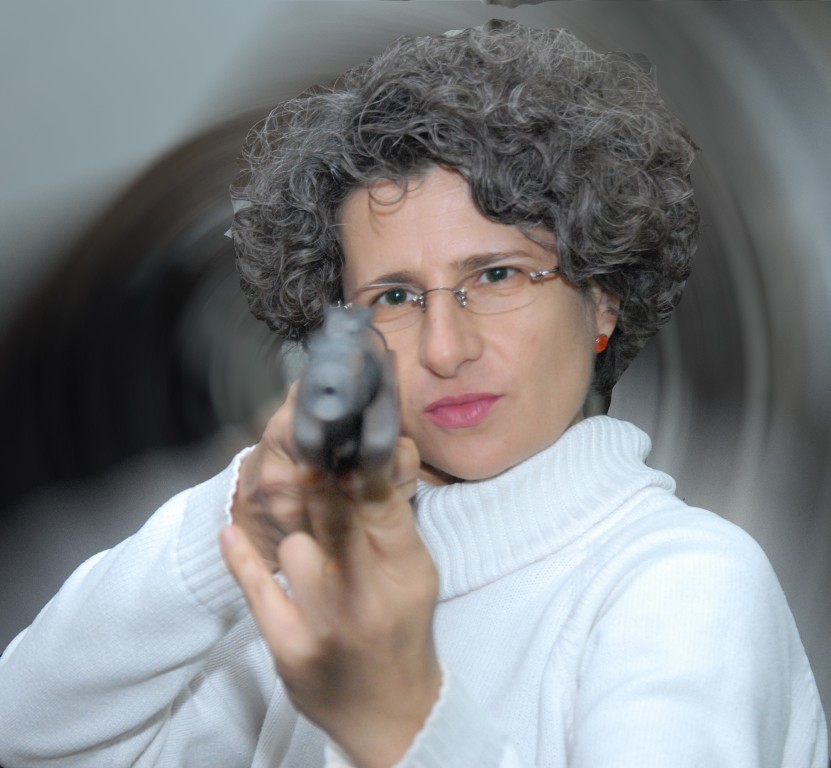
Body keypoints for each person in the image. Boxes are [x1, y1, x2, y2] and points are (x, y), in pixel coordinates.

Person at [0, 19, 826, 768]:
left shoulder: (685, 584)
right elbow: (26, 733)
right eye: (393, 296)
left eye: (496, 276)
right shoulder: (312, 602)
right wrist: (236, 527)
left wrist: (399, 724)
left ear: (602, 299)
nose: (443, 348)